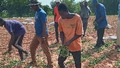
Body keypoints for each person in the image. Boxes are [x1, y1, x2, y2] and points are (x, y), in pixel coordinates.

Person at [58, 3, 83, 68]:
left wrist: (70, 41)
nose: (61, 16)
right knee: (60, 61)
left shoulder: (77, 18)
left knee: (78, 64)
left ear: (66, 11)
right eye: (60, 14)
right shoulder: (60, 20)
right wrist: (63, 41)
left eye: (62, 14)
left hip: (76, 45)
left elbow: (79, 34)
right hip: (66, 46)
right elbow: (61, 32)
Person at [29, 0, 53, 68]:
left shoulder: (42, 13)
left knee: (45, 49)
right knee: (32, 47)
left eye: (32, 6)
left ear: (35, 5)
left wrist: (43, 36)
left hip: (42, 34)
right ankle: (33, 61)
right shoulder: (36, 12)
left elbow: (44, 24)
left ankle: (50, 64)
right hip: (37, 34)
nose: (31, 8)